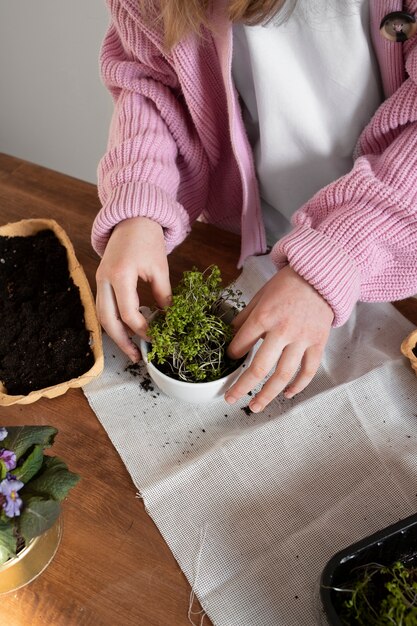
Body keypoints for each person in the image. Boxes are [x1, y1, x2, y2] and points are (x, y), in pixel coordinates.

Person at [92, 0, 417, 413]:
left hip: (394, 243)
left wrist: (334, 257)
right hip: (253, 234)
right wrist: (140, 199)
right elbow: (153, 82)